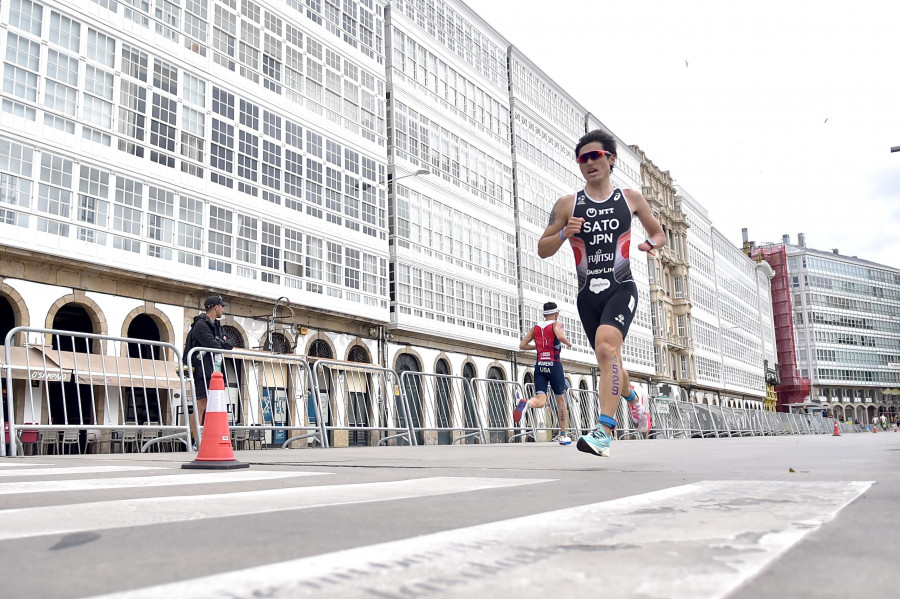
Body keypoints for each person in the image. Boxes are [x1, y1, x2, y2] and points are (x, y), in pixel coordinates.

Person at [537, 129, 665, 458]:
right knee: (609, 359)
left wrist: (649, 245)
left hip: (621, 286)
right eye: (583, 158)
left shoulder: (630, 198)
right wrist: (565, 232)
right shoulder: (568, 204)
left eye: (596, 156)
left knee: (607, 346)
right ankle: (634, 400)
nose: (590, 163)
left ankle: (604, 431)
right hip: (587, 296)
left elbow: (658, 233)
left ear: (610, 159)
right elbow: (542, 248)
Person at [514, 301, 575, 445]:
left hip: (540, 366)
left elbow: (522, 345)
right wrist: (569, 343)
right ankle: (563, 435)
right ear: (556, 314)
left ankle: (526, 403)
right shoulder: (557, 324)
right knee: (560, 400)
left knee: (540, 401)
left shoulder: (535, 327)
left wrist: (537, 347)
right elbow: (559, 336)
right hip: (554, 365)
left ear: (543, 314)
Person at [183, 295, 234, 448]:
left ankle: (208, 437)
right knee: (201, 403)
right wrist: (221, 341)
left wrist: (221, 342)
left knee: (214, 405)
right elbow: (213, 344)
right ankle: (195, 440)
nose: (223, 309)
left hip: (216, 371)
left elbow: (229, 343)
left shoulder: (217, 325)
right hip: (202, 369)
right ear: (215, 307)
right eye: (222, 306)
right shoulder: (200, 324)